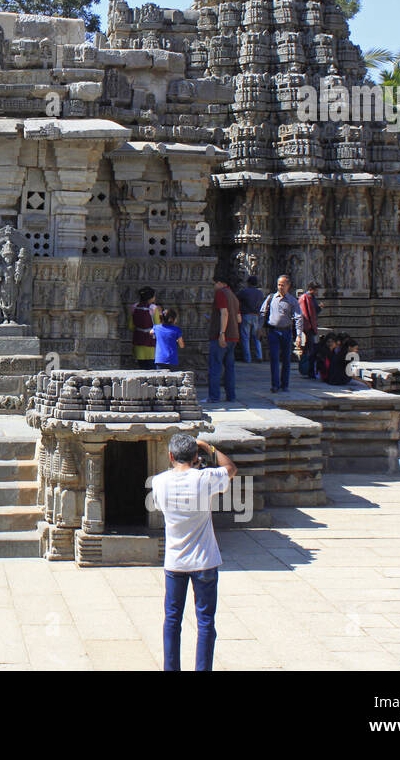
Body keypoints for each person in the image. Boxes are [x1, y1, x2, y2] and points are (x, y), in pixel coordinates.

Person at [151, 432, 237, 672]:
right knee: (206, 622)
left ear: (170, 456)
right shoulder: (205, 478)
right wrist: (208, 447)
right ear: (195, 455)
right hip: (204, 560)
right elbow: (230, 468)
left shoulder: (159, 482)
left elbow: (159, 505)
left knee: (172, 620)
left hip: (175, 561)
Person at [259, 275, 304, 393]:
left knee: (286, 359)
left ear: (288, 286)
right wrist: (261, 327)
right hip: (273, 331)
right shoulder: (271, 298)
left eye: (283, 285)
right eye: (279, 284)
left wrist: (299, 335)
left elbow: (298, 317)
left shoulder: (292, 301)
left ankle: (285, 385)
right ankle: (275, 385)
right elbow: (263, 312)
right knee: (274, 358)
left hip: (286, 331)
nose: (280, 287)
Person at [207, 273, 240, 404]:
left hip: (221, 336)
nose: (214, 287)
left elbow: (224, 313)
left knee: (215, 367)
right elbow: (238, 318)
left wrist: (222, 333)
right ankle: (231, 396)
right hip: (233, 336)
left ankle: (214, 396)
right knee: (229, 368)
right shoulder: (234, 296)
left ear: (220, 283)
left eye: (214, 284)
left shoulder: (221, 293)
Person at [128, 287, 161, 369]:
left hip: (138, 341)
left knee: (141, 367)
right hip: (151, 343)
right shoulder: (153, 308)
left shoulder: (134, 307)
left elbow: (130, 326)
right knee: (152, 368)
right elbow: (157, 325)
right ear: (151, 297)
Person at [236, 275, 265, 363]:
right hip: (256, 316)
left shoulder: (244, 292)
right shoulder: (260, 293)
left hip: (246, 315)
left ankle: (247, 358)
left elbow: (236, 299)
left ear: (248, 283)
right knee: (256, 337)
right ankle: (259, 355)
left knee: (245, 337)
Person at [298, 282, 322, 378]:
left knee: (310, 349)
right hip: (308, 327)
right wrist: (309, 327)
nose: (317, 292)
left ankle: (310, 370)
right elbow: (304, 314)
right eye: (316, 290)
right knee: (310, 350)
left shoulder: (312, 298)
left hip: (311, 326)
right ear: (312, 289)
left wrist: (319, 308)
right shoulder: (305, 298)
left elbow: (314, 311)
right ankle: (308, 370)